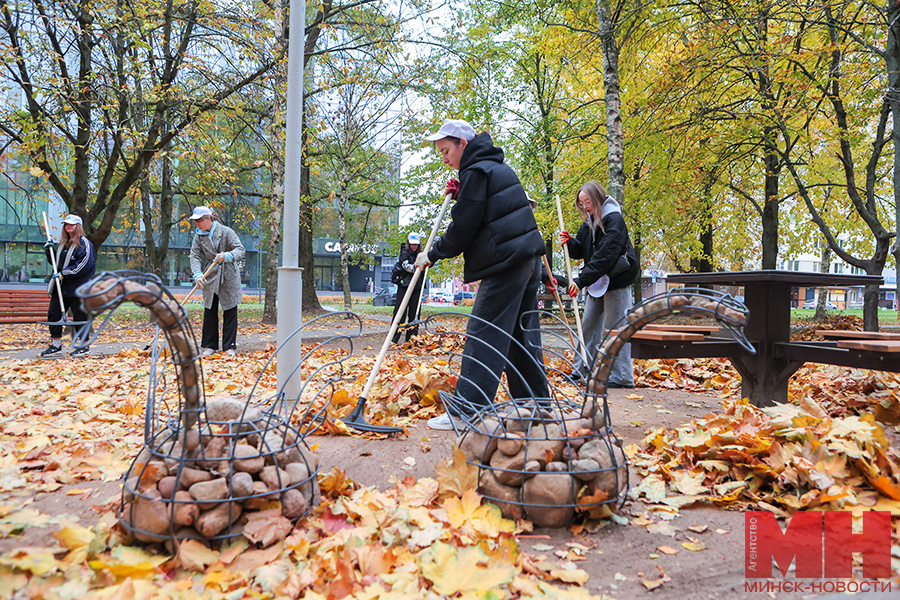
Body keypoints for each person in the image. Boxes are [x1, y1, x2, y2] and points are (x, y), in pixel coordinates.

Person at [416, 119, 549, 429]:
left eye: (446, 151)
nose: (445, 159)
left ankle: (466, 411)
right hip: (528, 261)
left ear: (463, 144)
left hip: (508, 264)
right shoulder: (496, 168)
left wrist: (433, 253)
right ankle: (535, 406)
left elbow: (464, 227)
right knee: (520, 336)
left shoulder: (475, 171)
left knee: (484, 332)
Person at [560, 181, 640, 388]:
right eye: (581, 203)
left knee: (616, 327)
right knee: (588, 325)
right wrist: (569, 243)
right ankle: (581, 368)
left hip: (617, 279)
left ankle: (622, 376)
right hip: (596, 280)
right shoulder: (589, 221)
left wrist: (580, 281)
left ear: (598, 198)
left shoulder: (614, 220)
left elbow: (606, 256)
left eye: (588, 201)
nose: (585, 206)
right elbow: (582, 250)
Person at [189, 206, 246, 358]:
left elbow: (240, 250)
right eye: (195, 221)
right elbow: (194, 255)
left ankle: (229, 347)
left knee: (230, 310)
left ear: (208, 219)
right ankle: (209, 346)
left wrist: (227, 255)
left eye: (199, 221)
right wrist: (197, 273)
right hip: (211, 275)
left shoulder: (226, 232)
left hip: (228, 275)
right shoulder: (198, 236)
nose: (197, 224)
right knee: (210, 310)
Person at [40, 214, 96, 357]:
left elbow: (83, 265)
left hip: (79, 288)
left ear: (78, 226)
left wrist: (65, 273)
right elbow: (56, 264)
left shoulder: (85, 244)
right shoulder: (63, 244)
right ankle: (56, 345)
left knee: (80, 316)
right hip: (61, 287)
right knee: (54, 313)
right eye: (66, 224)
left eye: (71, 224)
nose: (68, 226)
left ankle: (84, 346)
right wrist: (49, 251)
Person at [391, 233, 425, 344]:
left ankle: (411, 339)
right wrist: (419, 266)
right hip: (405, 286)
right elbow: (407, 267)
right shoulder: (404, 253)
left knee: (414, 313)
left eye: (416, 244)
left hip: (416, 287)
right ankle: (393, 338)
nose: (413, 246)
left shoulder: (421, 254)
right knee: (399, 313)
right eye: (412, 244)